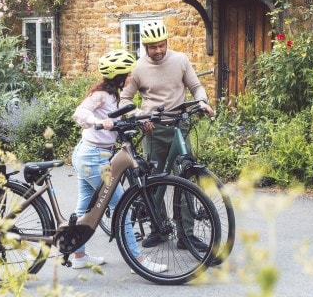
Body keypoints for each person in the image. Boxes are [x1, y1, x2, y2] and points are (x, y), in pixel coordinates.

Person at [71, 49, 167, 273]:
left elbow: (124, 113)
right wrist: (99, 122)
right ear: (119, 76)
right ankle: (138, 261)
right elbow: (80, 112)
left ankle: (78, 255)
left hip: (91, 154)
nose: (132, 77)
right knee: (121, 206)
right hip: (93, 157)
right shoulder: (101, 95)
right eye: (128, 73)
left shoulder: (114, 96)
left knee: (85, 206)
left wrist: (142, 118)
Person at [120, 22, 214, 250]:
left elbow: (196, 86)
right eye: (153, 47)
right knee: (153, 180)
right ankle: (158, 228)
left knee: (185, 179)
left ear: (167, 43)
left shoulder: (180, 60)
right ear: (145, 46)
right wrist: (140, 116)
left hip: (179, 128)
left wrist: (202, 101)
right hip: (153, 130)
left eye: (161, 45)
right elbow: (125, 100)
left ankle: (186, 235)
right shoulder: (138, 68)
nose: (158, 50)